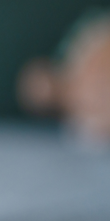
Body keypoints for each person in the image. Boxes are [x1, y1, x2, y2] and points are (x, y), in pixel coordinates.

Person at [19, 9, 110, 149]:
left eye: (42, 81)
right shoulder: (80, 128)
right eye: (40, 95)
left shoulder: (83, 44)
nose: (47, 89)